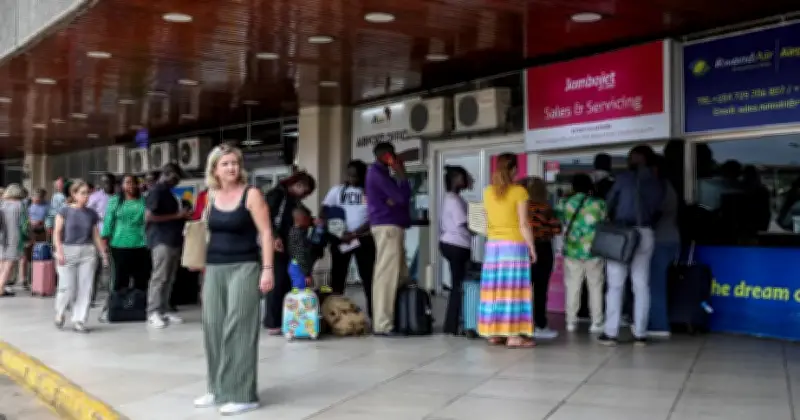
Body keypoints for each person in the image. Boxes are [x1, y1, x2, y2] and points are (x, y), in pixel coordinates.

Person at [193, 145, 274, 416]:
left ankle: (243, 394)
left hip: (245, 266)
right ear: (214, 169)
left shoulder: (252, 194)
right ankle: (217, 388)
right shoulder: (210, 196)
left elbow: (265, 233)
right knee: (213, 326)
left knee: (239, 327)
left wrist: (267, 268)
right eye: (225, 164)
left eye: (235, 163)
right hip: (214, 268)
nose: (231, 168)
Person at [598, 145, 665, 346]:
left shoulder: (623, 179)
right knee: (641, 285)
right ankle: (641, 334)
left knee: (616, 285)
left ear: (632, 160)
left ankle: (611, 333)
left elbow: (608, 204)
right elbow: (659, 208)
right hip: (645, 232)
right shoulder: (656, 182)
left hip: (623, 234)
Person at [479, 154, 536, 348]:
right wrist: (532, 247)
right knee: (512, 290)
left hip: (493, 246)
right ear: (514, 170)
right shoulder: (519, 192)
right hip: (513, 246)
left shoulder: (487, 192)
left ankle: (494, 333)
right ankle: (513, 335)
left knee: (494, 290)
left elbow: (485, 221)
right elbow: (523, 224)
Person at [365, 142, 411, 336]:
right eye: (393, 156)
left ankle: (396, 318)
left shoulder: (382, 174)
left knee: (400, 275)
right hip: (387, 227)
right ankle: (383, 324)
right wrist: (401, 174)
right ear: (386, 156)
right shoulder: (377, 174)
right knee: (386, 276)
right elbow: (401, 198)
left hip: (392, 226)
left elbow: (400, 197)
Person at [262, 171, 316, 335]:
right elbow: (266, 218)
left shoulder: (293, 200)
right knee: (276, 282)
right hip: (275, 243)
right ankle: (272, 322)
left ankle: (283, 318)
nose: (304, 194)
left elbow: (299, 217)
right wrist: (274, 236)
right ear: (296, 184)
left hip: (287, 244)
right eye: (303, 190)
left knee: (285, 282)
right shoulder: (277, 195)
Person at [53, 180, 109, 332]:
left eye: (87, 193)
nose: (86, 196)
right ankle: (60, 311)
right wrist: (59, 251)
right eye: (83, 193)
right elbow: (57, 233)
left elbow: (95, 234)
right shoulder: (64, 211)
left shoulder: (91, 213)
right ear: (74, 194)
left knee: (86, 287)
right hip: (67, 250)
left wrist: (103, 253)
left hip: (87, 252)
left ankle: (79, 319)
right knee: (67, 286)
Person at [320, 160, 375, 317]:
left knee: (368, 277)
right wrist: (339, 232)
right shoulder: (337, 191)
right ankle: (333, 313)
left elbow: (374, 217)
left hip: (363, 238)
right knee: (337, 277)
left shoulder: (370, 192)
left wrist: (355, 233)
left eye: (357, 176)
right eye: (350, 175)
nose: (353, 179)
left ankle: (374, 314)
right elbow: (324, 211)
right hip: (341, 238)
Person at [556, 174, 606, 334]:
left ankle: (571, 321)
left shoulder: (564, 203)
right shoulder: (599, 204)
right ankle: (596, 322)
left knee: (572, 286)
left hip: (572, 250)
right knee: (595, 286)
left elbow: (558, 218)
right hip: (594, 250)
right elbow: (605, 221)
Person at [145, 163, 189, 329]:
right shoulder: (157, 191)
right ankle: (153, 311)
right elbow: (149, 217)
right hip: (161, 240)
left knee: (169, 278)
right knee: (160, 276)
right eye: (175, 178)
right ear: (166, 174)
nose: (177, 182)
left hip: (173, 238)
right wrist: (177, 215)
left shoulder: (168, 192)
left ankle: (164, 309)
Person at [521, 176, 562, 339]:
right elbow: (556, 229)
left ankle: (522, 324)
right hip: (543, 248)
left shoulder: (523, 208)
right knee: (541, 289)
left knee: (523, 289)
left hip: (525, 249)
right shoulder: (546, 208)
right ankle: (540, 324)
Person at [648, 156, 680, 338]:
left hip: (660, 240)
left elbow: (654, 215)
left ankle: (658, 325)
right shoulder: (668, 186)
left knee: (656, 284)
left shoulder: (659, 187)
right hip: (669, 239)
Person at [101, 174, 150, 295]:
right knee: (121, 279)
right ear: (122, 186)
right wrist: (104, 245)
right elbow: (108, 222)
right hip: (119, 244)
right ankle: (119, 309)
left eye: (134, 182)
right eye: (127, 182)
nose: (131, 185)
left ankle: (138, 308)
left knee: (141, 279)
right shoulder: (115, 201)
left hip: (141, 244)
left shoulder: (144, 200)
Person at [439, 165, 473, 335]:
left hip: (452, 244)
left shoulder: (453, 198)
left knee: (457, 284)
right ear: (457, 179)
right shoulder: (454, 200)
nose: (467, 180)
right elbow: (465, 224)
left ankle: (453, 324)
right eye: (464, 177)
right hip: (457, 245)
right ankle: (452, 325)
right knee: (458, 285)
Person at [87, 173, 115, 305]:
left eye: (109, 182)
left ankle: (112, 297)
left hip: (115, 235)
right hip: (99, 235)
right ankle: (90, 297)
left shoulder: (118, 196)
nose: (107, 185)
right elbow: (86, 213)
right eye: (104, 182)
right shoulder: (95, 197)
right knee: (95, 266)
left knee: (112, 267)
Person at [0, 185, 29, 296]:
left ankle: (2, 287)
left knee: (2, 263)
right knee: (9, 265)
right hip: (15, 237)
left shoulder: (2, 203)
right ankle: (1, 286)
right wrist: (29, 236)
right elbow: (25, 224)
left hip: (2, 237)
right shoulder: (21, 205)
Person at [288, 206, 317, 289]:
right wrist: (307, 274)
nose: (310, 221)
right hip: (298, 267)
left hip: (296, 265)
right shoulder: (298, 235)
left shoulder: (296, 231)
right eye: (308, 219)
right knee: (300, 292)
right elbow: (300, 255)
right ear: (303, 219)